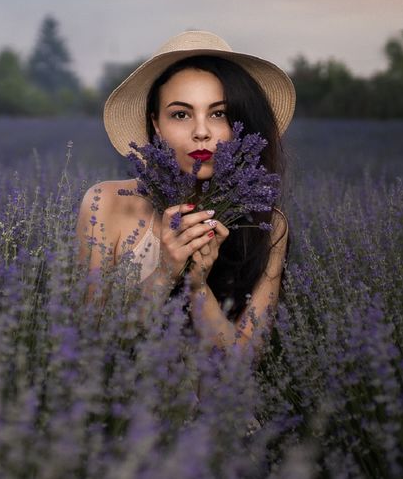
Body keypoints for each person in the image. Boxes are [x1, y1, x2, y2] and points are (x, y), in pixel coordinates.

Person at [75, 30, 295, 360]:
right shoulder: (105, 203)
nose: (201, 131)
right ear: (157, 125)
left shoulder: (267, 224)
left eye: (218, 113)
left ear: (240, 123)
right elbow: (90, 337)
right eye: (181, 114)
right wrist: (166, 270)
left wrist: (197, 285)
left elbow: (245, 359)